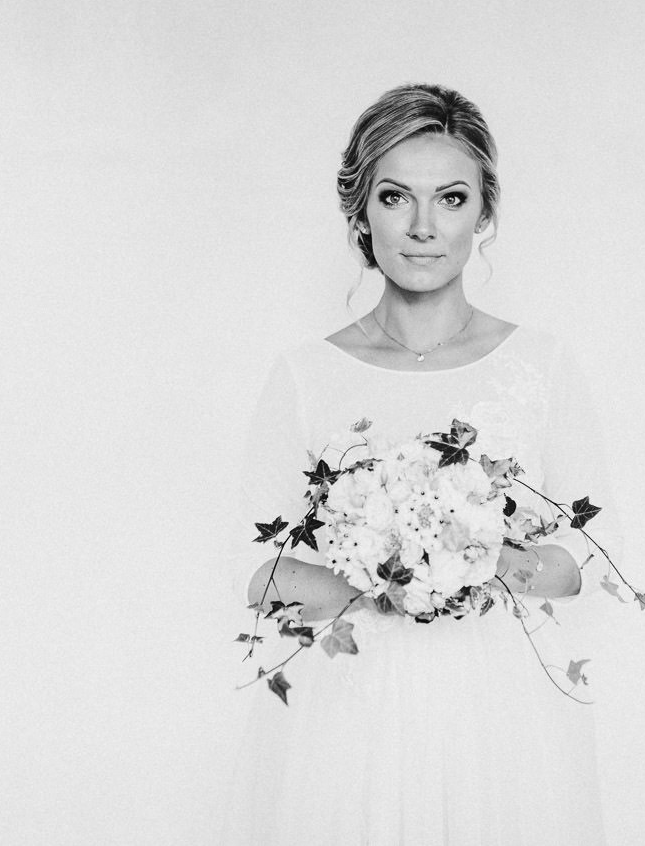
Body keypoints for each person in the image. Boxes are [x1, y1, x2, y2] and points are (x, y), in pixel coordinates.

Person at [220, 83, 618, 845]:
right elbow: (255, 568)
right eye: (396, 196)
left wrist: (480, 561)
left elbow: (595, 552)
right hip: (352, 716)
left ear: (484, 212)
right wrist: (383, 577)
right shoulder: (307, 375)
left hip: (498, 718)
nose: (424, 227)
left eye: (452, 198)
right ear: (360, 210)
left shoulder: (539, 365)